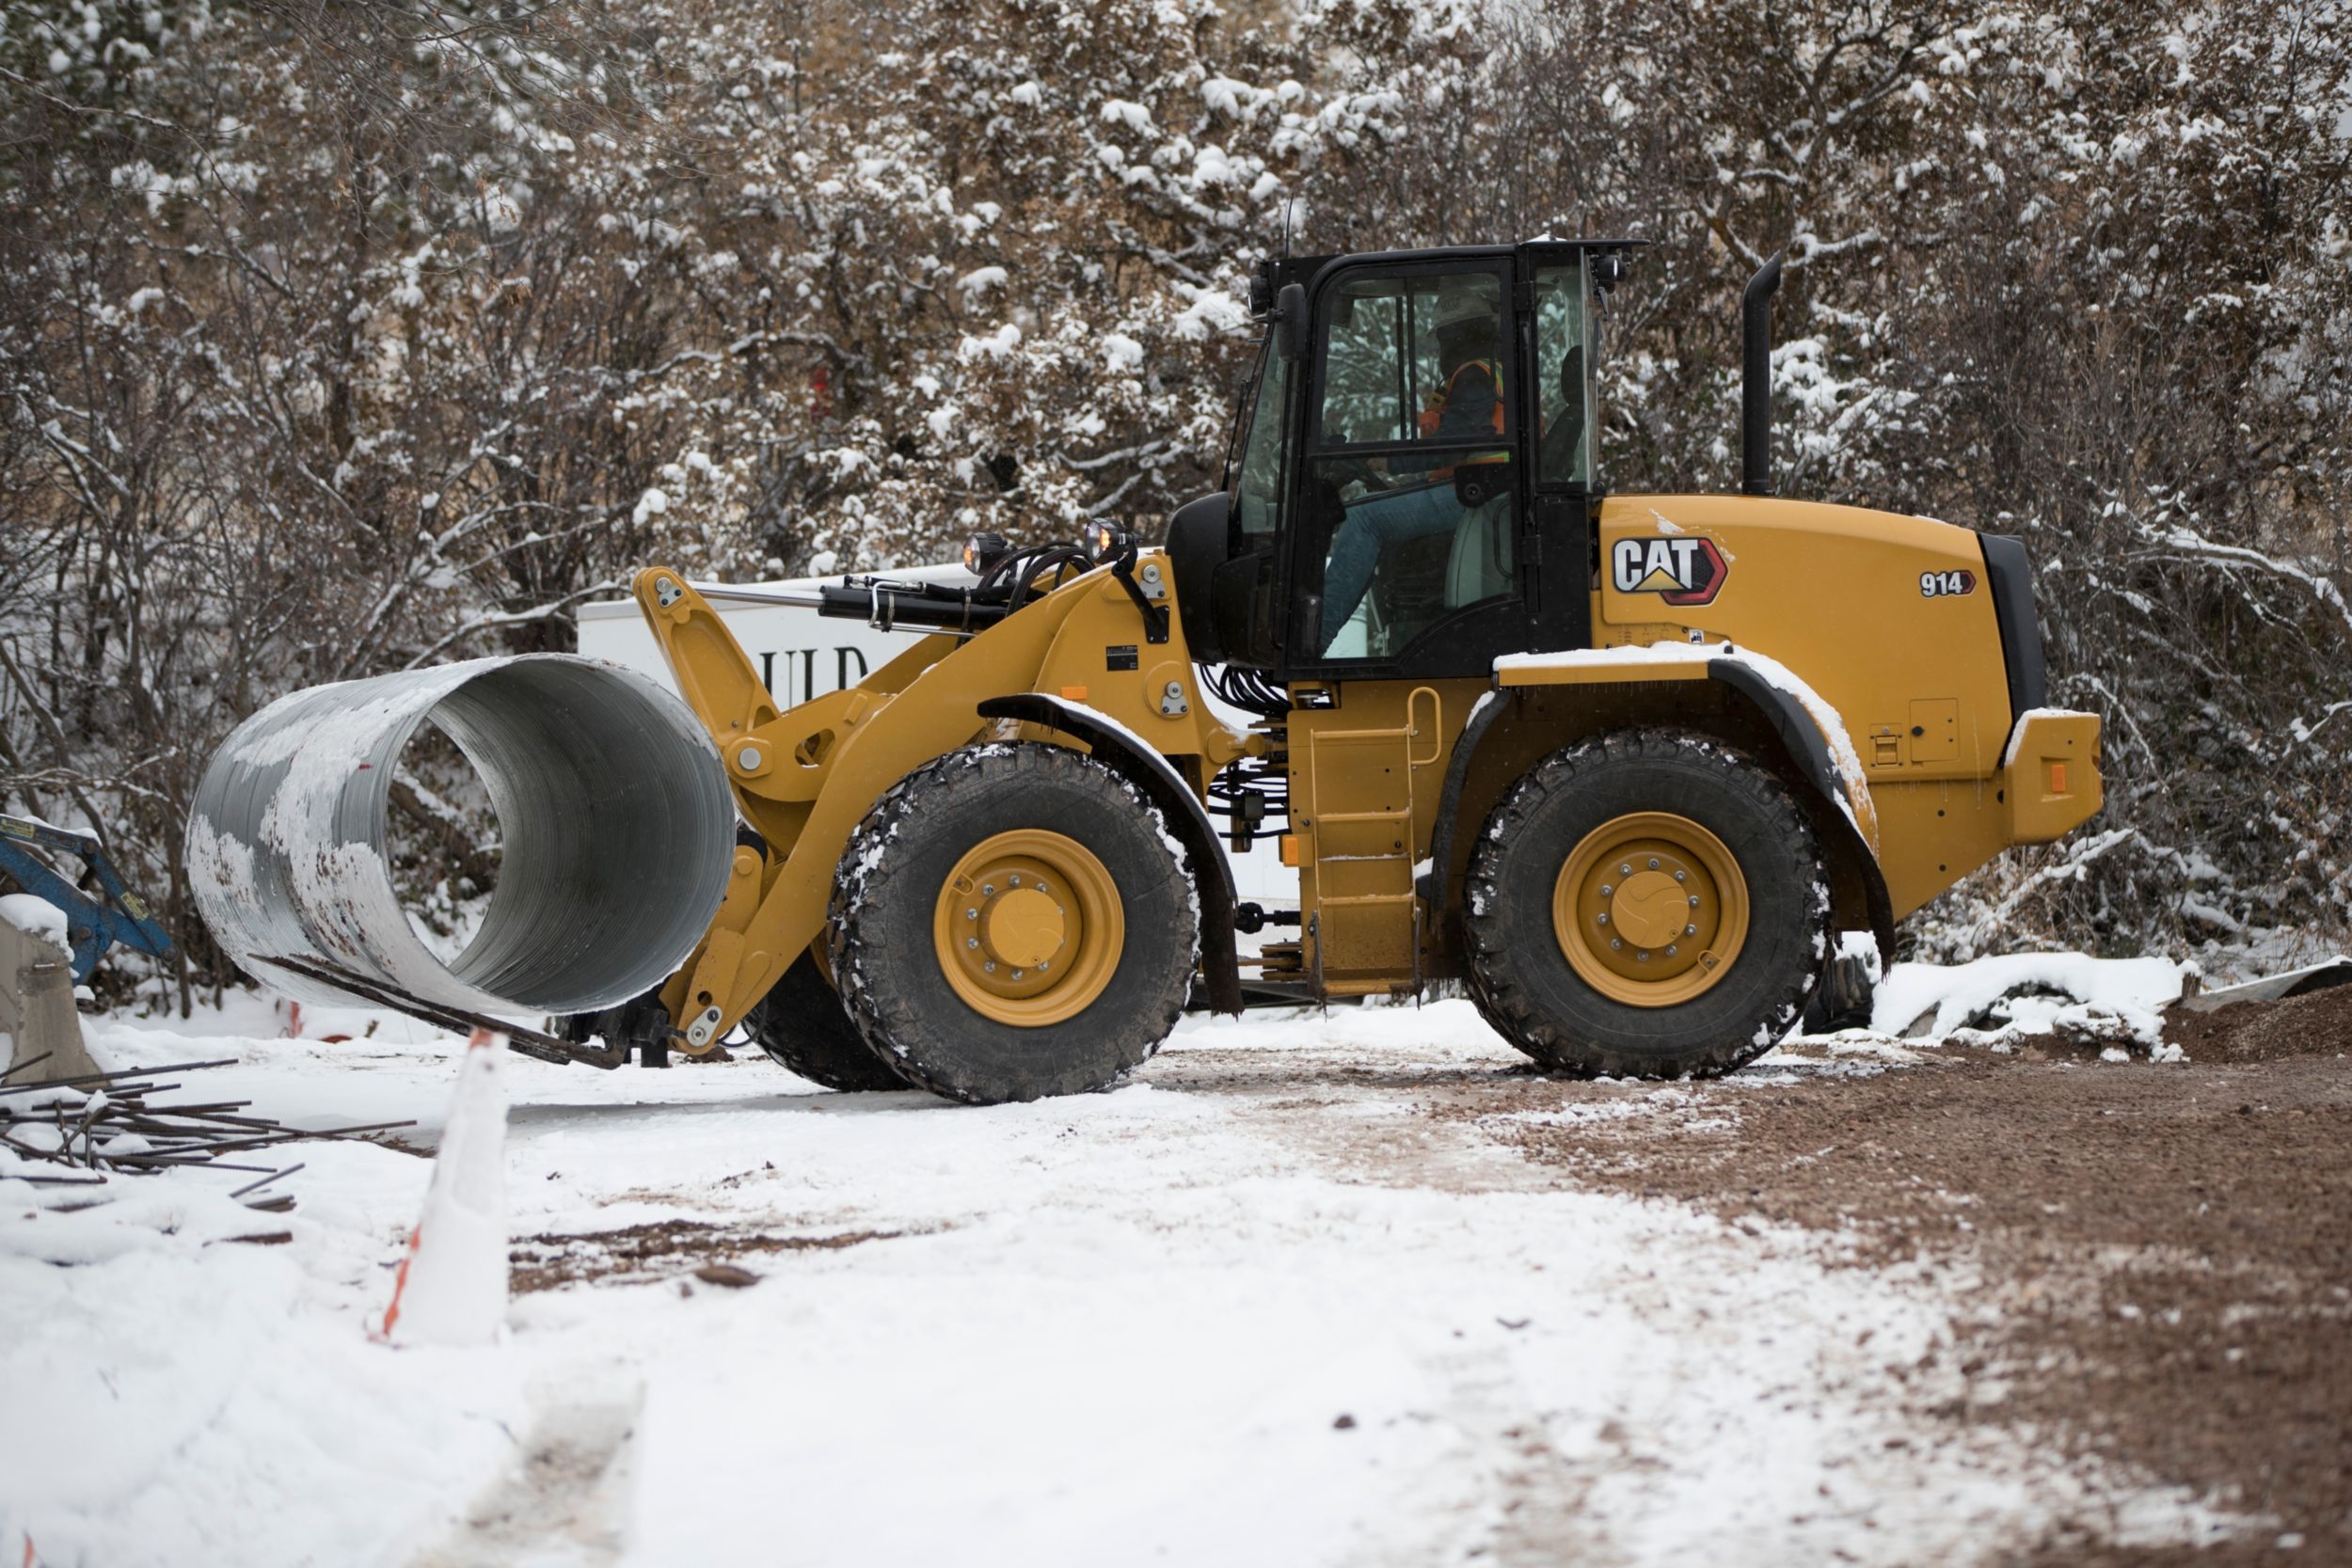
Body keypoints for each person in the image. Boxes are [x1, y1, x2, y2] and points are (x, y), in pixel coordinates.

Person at [1318, 287, 1509, 651]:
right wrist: (1397, 477)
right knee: (1379, 505)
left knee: (1364, 519)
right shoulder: (1487, 373)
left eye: (1442, 338)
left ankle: (1312, 640)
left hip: (1478, 496)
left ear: (1458, 336)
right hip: (1478, 489)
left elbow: (1454, 444)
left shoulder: (1474, 376)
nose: (1440, 349)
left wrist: (1387, 459)